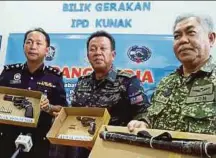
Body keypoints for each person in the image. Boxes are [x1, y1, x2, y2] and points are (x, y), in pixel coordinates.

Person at [133, 13, 216, 134]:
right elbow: (151, 116)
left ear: (211, 38)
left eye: (191, 33)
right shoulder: (166, 83)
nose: (182, 40)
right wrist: (143, 122)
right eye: (177, 36)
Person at [71, 30, 150, 158]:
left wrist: (141, 122)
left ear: (112, 55)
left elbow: (144, 110)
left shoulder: (127, 81)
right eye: (93, 49)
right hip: (85, 149)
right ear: (88, 55)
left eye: (103, 48)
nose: (97, 53)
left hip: (117, 149)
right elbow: (75, 112)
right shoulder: (81, 82)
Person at [0, 28, 68, 158]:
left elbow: (62, 110)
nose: (33, 46)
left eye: (38, 43)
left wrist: (48, 107)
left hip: (38, 142)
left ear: (47, 50)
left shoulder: (54, 77)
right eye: (29, 42)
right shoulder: (9, 73)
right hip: (7, 140)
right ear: (24, 46)